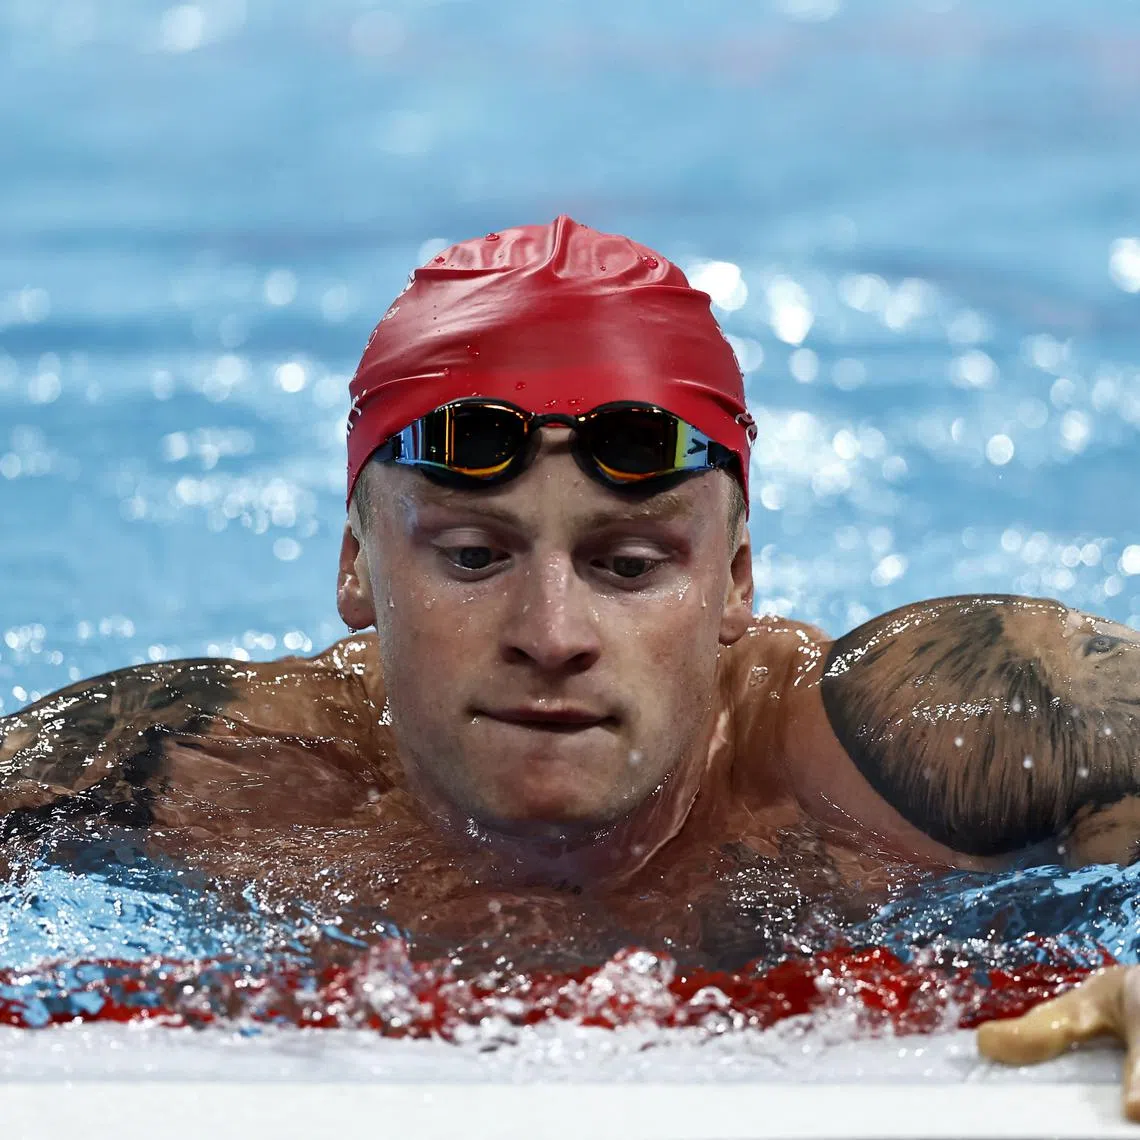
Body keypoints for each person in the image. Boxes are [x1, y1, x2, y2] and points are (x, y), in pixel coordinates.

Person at [1, 216, 1139, 1106]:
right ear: (356, 566)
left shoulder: (906, 738)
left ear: (736, 582)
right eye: (472, 554)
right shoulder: (212, 768)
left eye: (631, 565)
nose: (551, 633)